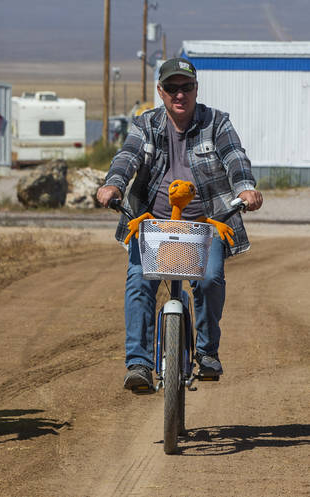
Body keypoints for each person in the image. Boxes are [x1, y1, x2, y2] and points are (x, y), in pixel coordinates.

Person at [96, 57, 263, 392]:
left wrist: (245, 188)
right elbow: (127, 156)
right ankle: (139, 364)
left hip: (207, 224)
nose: (179, 94)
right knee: (139, 279)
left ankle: (207, 351)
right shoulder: (147, 124)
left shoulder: (216, 122)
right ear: (160, 91)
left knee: (210, 279)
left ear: (196, 89)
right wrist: (113, 184)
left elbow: (234, 157)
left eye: (186, 87)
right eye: (171, 88)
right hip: (154, 226)